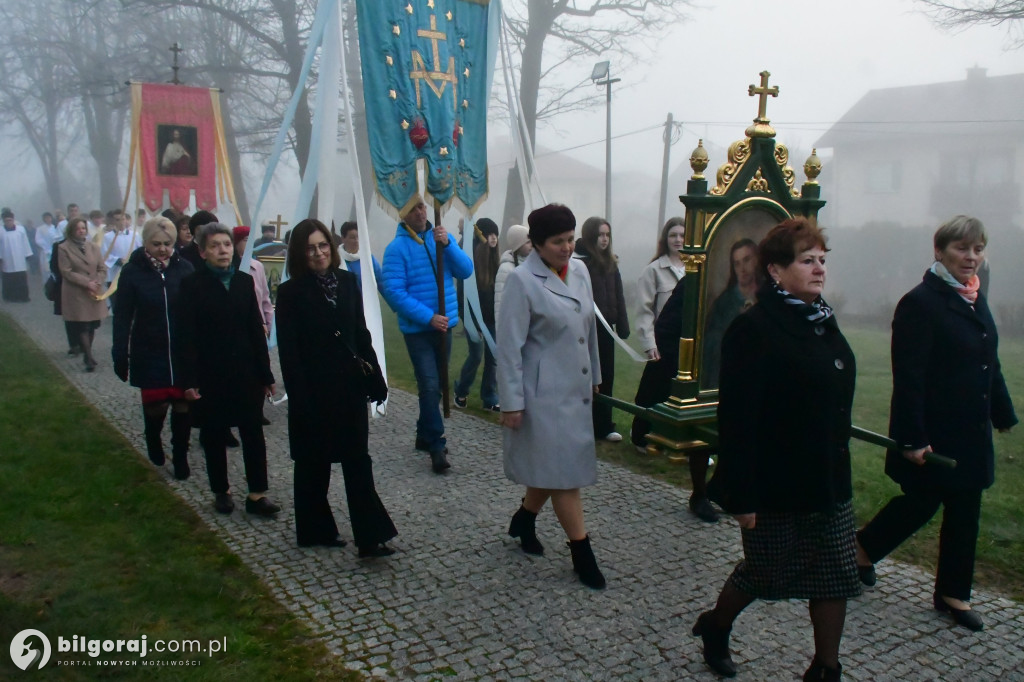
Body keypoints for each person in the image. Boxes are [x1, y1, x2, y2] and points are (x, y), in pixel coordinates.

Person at [694, 218, 859, 681]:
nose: (819, 269)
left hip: (828, 476)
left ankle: (826, 669)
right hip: (775, 482)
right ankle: (716, 626)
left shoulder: (822, 320)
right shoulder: (754, 329)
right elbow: (738, 420)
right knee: (763, 572)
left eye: (822, 260)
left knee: (836, 575)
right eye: (807, 260)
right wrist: (741, 496)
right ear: (776, 271)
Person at [855, 216, 1017, 633]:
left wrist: (1002, 413)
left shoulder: (974, 297)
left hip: (971, 430)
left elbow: (988, 359)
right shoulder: (921, 303)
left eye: (978, 249)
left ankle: (953, 594)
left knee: (967, 509)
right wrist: (912, 438)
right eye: (962, 248)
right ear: (940, 251)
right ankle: (861, 550)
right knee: (921, 503)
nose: (972, 257)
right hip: (935, 431)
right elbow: (909, 378)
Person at [496, 203, 606, 590]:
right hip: (541, 395)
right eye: (557, 241)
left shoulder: (579, 269)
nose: (566, 247)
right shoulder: (522, 282)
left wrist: (594, 372)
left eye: (570, 239)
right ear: (537, 244)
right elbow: (509, 347)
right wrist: (511, 401)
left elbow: (587, 326)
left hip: (574, 389)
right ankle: (582, 553)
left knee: (553, 466)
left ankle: (524, 519)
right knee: (565, 476)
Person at [275, 219, 398, 555]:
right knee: (312, 463)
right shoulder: (290, 293)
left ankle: (370, 536)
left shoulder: (346, 282)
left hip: (348, 387)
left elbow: (360, 333)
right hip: (313, 389)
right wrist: (300, 398)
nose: (319, 253)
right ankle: (315, 529)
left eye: (323, 245)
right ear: (300, 254)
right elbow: (290, 351)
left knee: (357, 460)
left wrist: (375, 378)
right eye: (311, 248)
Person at [177, 222, 280, 517]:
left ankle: (257, 494)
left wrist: (266, 373)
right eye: (214, 246)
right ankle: (221, 490)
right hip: (210, 373)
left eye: (225, 244)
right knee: (213, 433)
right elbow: (185, 336)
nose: (222, 250)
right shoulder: (191, 286)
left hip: (245, 371)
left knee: (252, 432)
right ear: (202, 251)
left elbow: (254, 329)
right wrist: (189, 379)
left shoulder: (243, 282)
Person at [381, 193, 473, 474]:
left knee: (438, 383)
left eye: (422, 206)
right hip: (419, 329)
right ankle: (436, 445)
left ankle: (424, 432)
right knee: (430, 385)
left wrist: (448, 245)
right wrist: (427, 316)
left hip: (444, 325)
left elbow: (465, 270)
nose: (421, 213)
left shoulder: (440, 238)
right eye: (413, 209)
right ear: (402, 215)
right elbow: (394, 292)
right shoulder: (396, 249)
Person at [112, 217, 194, 479]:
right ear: (146, 243)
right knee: (157, 407)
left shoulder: (186, 269)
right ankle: (153, 436)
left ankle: (180, 455)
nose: (162, 249)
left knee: (183, 407)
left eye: (168, 244)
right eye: (156, 244)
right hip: (149, 348)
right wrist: (119, 351)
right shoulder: (132, 272)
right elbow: (123, 315)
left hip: (181, 351)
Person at [630, 217, 686, 449]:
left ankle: (681, 439)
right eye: (673, 235)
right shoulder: (654, 270)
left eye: (683, 235)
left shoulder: (699, 268)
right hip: (663, 343)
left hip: (688, 344)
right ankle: (643, 436)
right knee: (654, 392)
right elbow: (644, 310)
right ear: (665, 239)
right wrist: (649, 343)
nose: (678, 240)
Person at [574, 217, 628, 442]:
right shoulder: (581, 265)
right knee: (587, 376)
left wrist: (622, 323)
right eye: (600, 235)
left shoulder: (610, 263)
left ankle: (604, 424)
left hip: (607, 330)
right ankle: (584, 422)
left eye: (607, 235)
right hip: (587, 329)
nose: (604, 239)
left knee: (607, 376)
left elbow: (619, 294)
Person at [454, 218, 500, 412]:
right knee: (476, 354)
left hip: (492, 317)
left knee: (493, 357)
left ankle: (489, 397)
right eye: (489, 233)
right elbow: (464, 293)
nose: (494, 238)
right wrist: (472, 321)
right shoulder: (470, 258)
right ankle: (461, 391)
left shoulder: (494, 259)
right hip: (473, 316)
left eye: (496, 234)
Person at [701, 238, 761, 388]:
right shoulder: (725, 302)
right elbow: (711, 340)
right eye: (737, 263)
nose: (742, 268)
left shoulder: (768, 296)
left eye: (747, 260)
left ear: (757, 260)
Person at [57, 217, 108, 371]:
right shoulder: (64, 248)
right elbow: (66, 271)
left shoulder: (93, 247)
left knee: (92, 325)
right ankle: (88, 357)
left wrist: (97, 280)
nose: (81, 231)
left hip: (93, 292)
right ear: (72, 230)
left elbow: (102, 267)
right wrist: (87, 282)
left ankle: (88, 353)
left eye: (83, 228)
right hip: (76, 292)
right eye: (78, 228)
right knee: (83, 325)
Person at [493, 223, 531, 323]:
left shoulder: (533, 265)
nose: (532, 245)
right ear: (518, 245)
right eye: (528, 242)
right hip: (513, 323)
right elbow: (500, 303)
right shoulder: (506, 269)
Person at [338, 220, 384, 294]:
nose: (356, 241)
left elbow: (381, 282)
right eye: (352, 237)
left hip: (366, 303)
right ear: (343, 238)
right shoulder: (337, 259)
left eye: (358, 237)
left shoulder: (368, 258)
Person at [0, 209, 32, 302]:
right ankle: (9, 297)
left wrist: (28, 254)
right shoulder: (1, 231)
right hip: (7, 259)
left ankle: (23, 297)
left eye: (10, 220)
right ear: (3, 221)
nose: (8, 222)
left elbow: (25, 242)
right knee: (9, 279)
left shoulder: (20, 229)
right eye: (6, 221)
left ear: (13, 220)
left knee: (21, 278)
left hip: (19, 258)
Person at [35, 212, 61, 284]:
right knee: (47, 270)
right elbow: (38, 240)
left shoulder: (55, 227)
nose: (48, 219)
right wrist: (46, 247)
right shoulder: (40, 229)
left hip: (56, 251)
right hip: (46, 252)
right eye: (46, 218)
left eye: (49, 217)